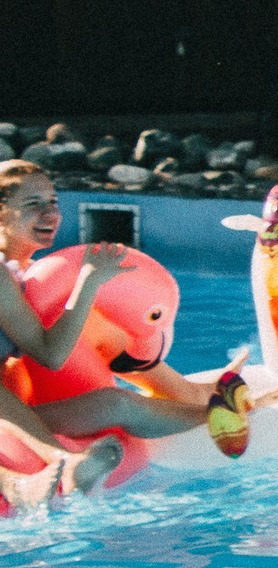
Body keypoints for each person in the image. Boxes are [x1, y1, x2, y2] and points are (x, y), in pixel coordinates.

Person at [0, 161, 228, 490]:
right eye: (33, 205)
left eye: (52, 202)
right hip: (8, 414)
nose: (50, 215)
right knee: (116, 401)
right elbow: (51, 355)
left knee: (116, 401)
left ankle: (214, 413)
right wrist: (88, 281)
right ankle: (55, 463)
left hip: (19, 407)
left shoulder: (29, 274)